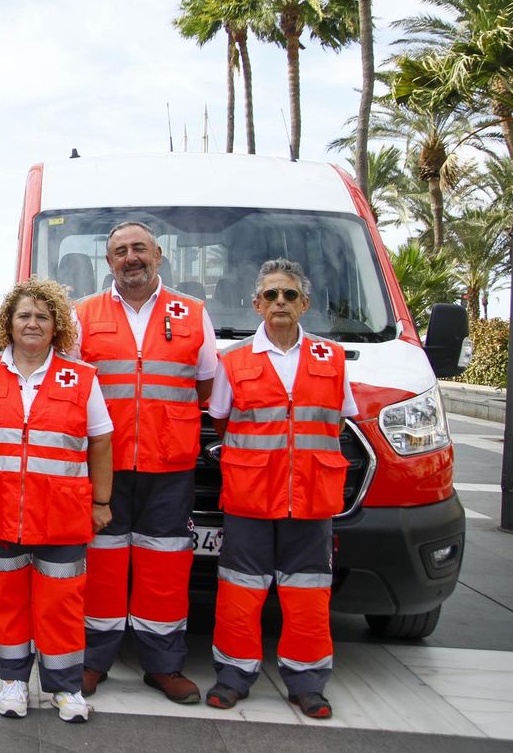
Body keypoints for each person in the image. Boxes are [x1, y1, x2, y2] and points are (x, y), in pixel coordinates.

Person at [0, 279, 113, 723]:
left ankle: (64, 688)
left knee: (61, 602)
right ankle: (14, 681)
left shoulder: (80, 377)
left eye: (43, 315)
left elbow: (101, 441)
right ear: (8, 323)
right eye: (24, 315)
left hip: (61, 513)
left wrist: (101, 501)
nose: (33, 323)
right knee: (5, 599)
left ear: (57, 324)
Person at [204, 259, 357, 719]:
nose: (280, 303)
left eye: (289, 295)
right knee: (239, 589)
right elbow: (220, 418)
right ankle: (232, 677)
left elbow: (339, 418)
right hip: (251, 496)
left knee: (309, 592)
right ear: (256, 305)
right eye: (270, 295)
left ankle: (307, 683)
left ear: (304, 303)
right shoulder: (232, 362)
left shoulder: (331, 359)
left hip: (311, 498)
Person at [73, 221, 216, 704]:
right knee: (102, 565)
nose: (130, 258)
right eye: (119, 251)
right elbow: (72, 387)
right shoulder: (83, 315)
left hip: (169, 467)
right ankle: (93, 660)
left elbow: (204, 386)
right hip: (104, 466)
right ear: (108, 261)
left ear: (158, 254)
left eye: (139, 249)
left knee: (165, 567)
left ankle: (163, 665)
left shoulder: (193, 313)